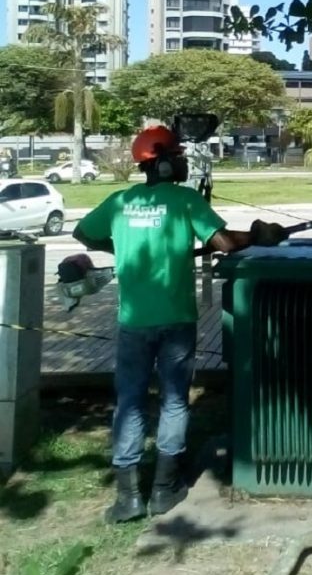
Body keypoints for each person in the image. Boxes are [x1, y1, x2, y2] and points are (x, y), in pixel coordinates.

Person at [70, 124, 286, 523]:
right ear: (165, 164)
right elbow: (222, 242)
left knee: (130, 401)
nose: (184, 162)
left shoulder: (119, 202)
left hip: (133, 321)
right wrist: (258, 235)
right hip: (177, 320)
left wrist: (120, 245)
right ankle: (164, 489)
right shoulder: (185, 201)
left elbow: (82, 232)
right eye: (179, 156)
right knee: (172, 400)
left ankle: (128, 497)